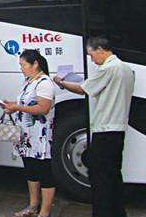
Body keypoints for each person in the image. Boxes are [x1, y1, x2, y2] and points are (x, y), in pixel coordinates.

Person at [53, 37, 135, 217]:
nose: (92, 60)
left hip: (104, 131)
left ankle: (103, 213)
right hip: (118, 129)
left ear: (100, 50)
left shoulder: (108, 69)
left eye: (91, 55)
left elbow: (83, 89)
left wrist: (61, 83)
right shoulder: (126, 69)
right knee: (114, 175)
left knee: (99, 178)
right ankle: (117, 212)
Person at [3, 50, 56, 217]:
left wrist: (18, 107)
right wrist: (12, 105)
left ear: (35, 64)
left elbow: (43, 108)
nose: (21, 68)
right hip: (26, 136)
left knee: (44, 172)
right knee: (31, 170)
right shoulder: (28, 81)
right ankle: (33, 206)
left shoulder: (44, 82)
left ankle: (44, 212)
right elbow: (26, 103)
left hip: (40, 136)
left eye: (23, 65)